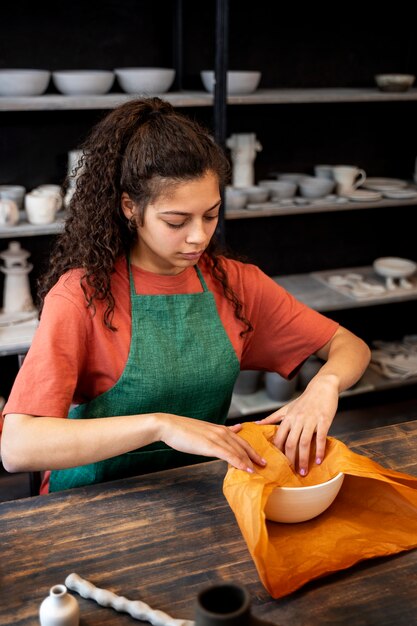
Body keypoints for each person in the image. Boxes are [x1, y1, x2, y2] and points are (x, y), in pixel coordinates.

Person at [0, 97, 370, 494]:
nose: (199, 237)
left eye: (210, 215)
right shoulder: (83, 294)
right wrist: (160, 426)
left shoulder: (235, 283)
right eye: (176, 221)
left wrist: (324, 387)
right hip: (92, 502)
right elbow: (18, 446)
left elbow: (350, 346)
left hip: (197, 493)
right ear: (130, 208)